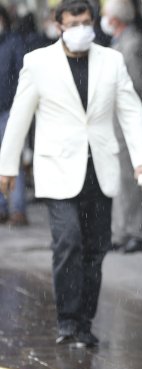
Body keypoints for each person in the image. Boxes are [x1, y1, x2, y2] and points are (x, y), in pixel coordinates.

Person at [0, 0, 142, 347]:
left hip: (99, 169)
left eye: (86, 21)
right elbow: (19, 116)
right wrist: (6, 167)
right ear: (59, 27)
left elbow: (130, 112)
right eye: (73, 23)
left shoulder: (111, 60)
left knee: (95, 250)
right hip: (57, 170)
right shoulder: (38, 63)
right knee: (68, 241)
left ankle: (84, 322)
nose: (81, 28)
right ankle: (67, 321)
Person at [102, 0, 142, 254]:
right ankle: (123, 231)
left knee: (135, 179)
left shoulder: (133, 43)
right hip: (117, 123)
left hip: (130, 123)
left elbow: (140, 86)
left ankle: (139, 232)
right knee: (122, 180)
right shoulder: (120, 42)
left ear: (115, 19)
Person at [0, 5, 26, 226]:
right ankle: (1, 208)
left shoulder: (14, 42)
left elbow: (22, 74)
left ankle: (17, 210)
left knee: (12, 159)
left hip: (9, 109)